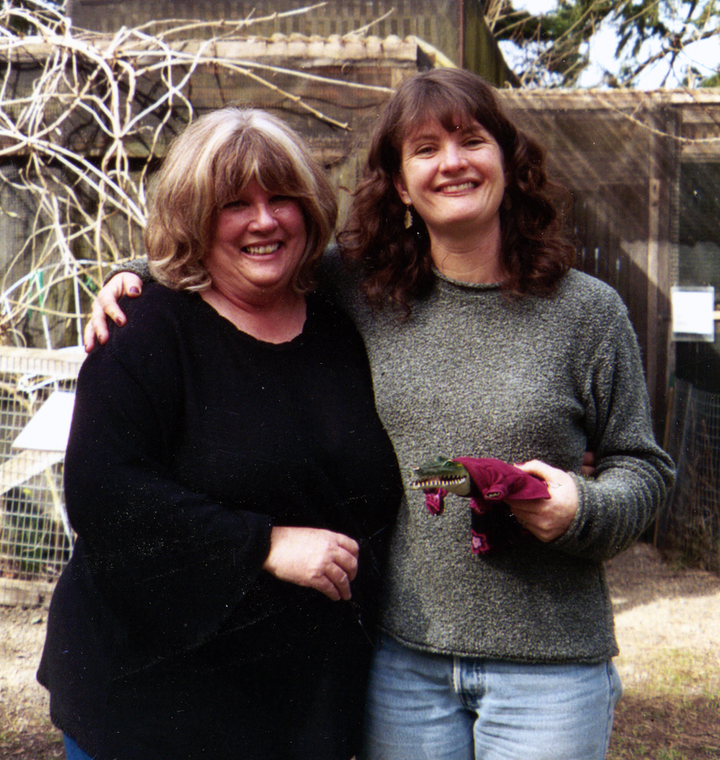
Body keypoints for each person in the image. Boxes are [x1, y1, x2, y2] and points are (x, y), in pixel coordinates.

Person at [85, 69, 675, 760]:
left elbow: (644, 468)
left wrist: (582, 506)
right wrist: (131, 275)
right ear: (400, 183)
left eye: (472, 141)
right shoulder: (364, 288)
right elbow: (245, 248)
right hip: (406, 666)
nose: (452, 162)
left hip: (549, 666)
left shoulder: (588, 312)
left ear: (508, 164)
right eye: (425, 148)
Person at [37, 107, 403, 760]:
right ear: (194, 218)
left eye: (282, 198)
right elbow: (104, 493)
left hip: (292, 713)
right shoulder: (147, 330)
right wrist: (262, 543)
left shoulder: (339, 330)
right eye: (234, 203)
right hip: (149, 708)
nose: (264, 220)